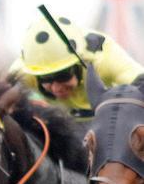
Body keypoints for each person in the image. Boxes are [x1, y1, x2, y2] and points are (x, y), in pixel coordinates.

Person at [11, 14, 144, 121]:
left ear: (80, 62)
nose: (56, 88)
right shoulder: (23, 72)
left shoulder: (105, 59)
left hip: (108, 121)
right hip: (62, 123)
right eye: (45, 79)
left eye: (62, 75)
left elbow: (140, 84)